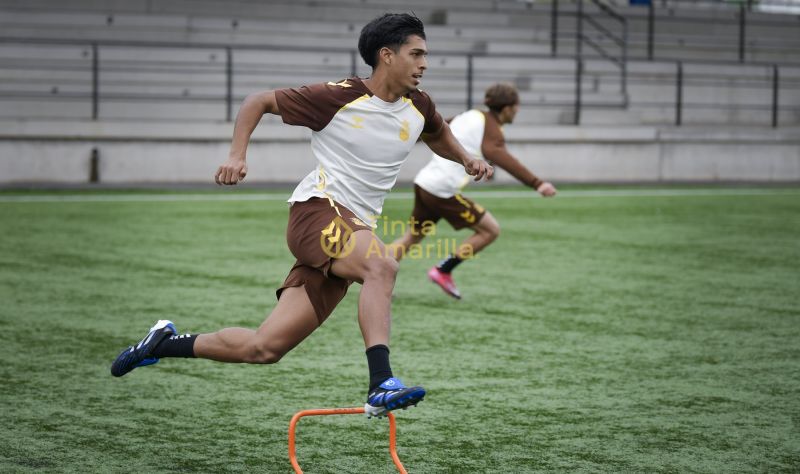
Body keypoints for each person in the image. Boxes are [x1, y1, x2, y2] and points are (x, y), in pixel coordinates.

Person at [110, 13, 492, 418]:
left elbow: (439, 134)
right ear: (386, 55)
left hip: (350, 230)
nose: (424, 64)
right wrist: (237, 156)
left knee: (265, 347)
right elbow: (259, 101)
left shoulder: (420, 104)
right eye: (416, 54)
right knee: (382, 264)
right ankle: (381, 382)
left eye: (425, 55)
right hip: (318, 211)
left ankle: (162, 343)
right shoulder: (337, 95)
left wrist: (467, 158)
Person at [390, 83, 556, 299]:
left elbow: (437, 127)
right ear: (507, 108)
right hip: (442, 190)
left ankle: (373, 273)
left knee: (412, 238)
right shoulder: (492, 127)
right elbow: (498, 154)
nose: (517, 111)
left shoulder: (471, 115)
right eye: (516, 107)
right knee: (490, 230)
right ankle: (443, 270)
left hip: (425, 183)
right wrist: (537, 183)